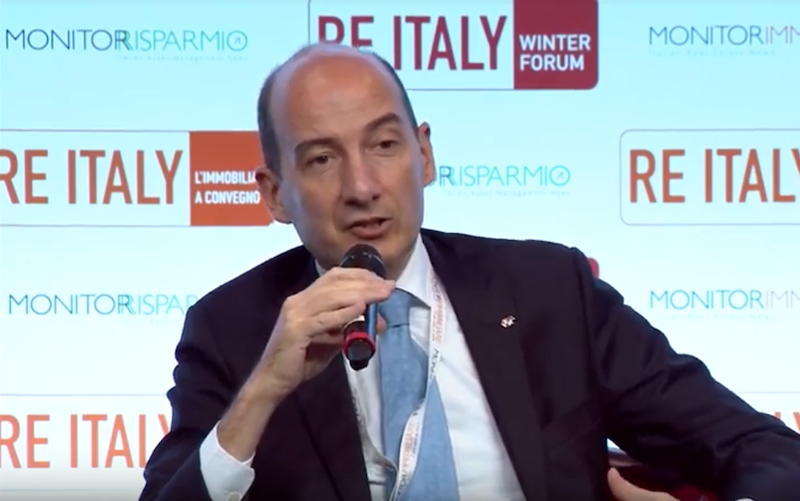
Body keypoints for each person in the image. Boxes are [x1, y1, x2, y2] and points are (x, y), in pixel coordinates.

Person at [139, 43, 800, 501]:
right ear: (275, 194)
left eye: (385, 144)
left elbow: (762, 448)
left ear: (424, 154)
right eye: (321, 160)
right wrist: (260, 394)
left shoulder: (549, 290)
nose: (363, 186)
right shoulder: (233, 329)